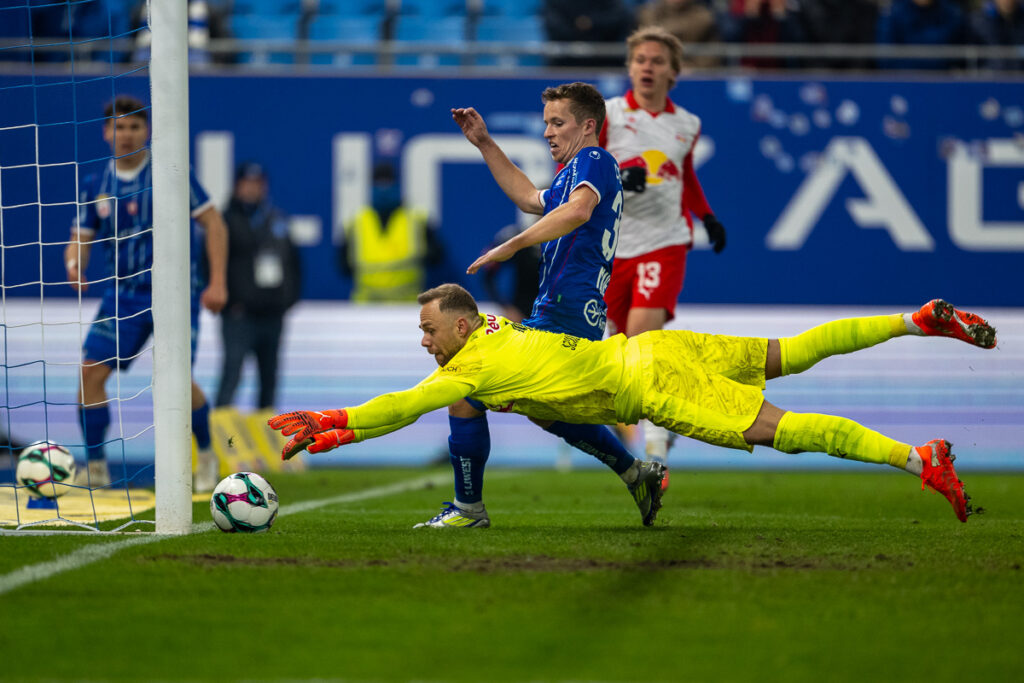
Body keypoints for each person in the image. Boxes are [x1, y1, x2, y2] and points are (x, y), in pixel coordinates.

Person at [270, 284, 998, 524]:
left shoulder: (471, 364)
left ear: (460, 327)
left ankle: (917, 456)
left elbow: (403, 405)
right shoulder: (489, 326)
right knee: (792, 350)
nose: (423, 341)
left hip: (648, 386)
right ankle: (916, 317)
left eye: (428, 330)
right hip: (650, 346)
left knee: (785, 430)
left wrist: (334, 423)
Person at [425, 81, 662, 530]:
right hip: (565, 315)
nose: (548, 132)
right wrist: (485, 143)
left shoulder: (594, 159)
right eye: (546, 124)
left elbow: (575, 213)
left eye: (558, 123)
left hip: (566, 315)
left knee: (467, 387)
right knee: (546, 410)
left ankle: (467, 509)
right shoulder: (573, 173)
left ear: (588, 125)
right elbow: (531, 199)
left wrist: (509, 247)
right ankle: (636, 473)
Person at [65, 95, 228, 492]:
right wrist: (74, 265)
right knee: (90, 373)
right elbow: (79, 239)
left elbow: (214, 224)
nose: (126, 135)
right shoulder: (96, 184)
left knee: (175, 379)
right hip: (123, 294)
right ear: (106, 133)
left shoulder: (171, 173)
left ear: (147, 131)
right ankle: (97, 467)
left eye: (134, 126)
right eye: (119, 127)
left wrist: (218, 281)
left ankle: (206, 457)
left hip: (173, 293)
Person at [600, 26, 727, 487]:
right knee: (620, 351)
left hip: (666, 241)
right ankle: (664, 425)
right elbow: (574, 170)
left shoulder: (686, 124)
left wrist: (706, 216)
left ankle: (655, 451)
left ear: (674, 72)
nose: (647, 67)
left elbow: (684, 176)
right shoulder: (608, 115)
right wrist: (617, 177)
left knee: (640, 341)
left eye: (656, 60)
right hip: (614, 248)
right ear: (630, 67)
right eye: (640, 60)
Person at [214, 161, 301, 410]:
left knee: (269, 377)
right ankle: (220, 437)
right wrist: (230, 303)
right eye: (247, 184)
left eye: (258, 184)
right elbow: (210, 265)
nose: (252, 189)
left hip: (272, 314)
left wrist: (286, 302)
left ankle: (267, 435)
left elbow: (294, 264)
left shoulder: (276, 219)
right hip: (238, 315)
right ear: (237, 186)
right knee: (232, 373)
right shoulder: (224, 223)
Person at [338, 162, 443, 303]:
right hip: (366, 308)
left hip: (407, 307)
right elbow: (343, 266)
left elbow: (436, 257)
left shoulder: (417, 221)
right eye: (378, 182)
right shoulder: (355, 224)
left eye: (387, 182)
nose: (383, 188)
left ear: (397, 185)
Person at [635, 0, 722, 68]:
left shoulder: (704, 17)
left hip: (693, 75)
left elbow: (712, 52)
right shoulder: (648, 12)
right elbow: (648, 32)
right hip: (656, 70)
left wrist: (693, 67)